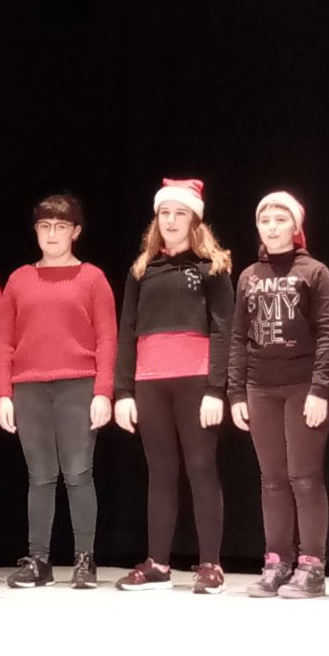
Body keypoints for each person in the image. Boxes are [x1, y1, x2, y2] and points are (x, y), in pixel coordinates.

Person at [113, 178, 234, 592]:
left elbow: (224, 329)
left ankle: (211, 564)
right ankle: (159, 564)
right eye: (164, 213)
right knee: (160, 472)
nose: (170, 220)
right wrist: (123, 392)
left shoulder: (211, 268)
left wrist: (216, 389)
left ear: (194, 220)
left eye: (179, 213)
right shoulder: (142, 270)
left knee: (201, 468)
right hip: (150, 382)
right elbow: (127, 330)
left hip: (195, 382)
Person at [0, 194, 117, 588]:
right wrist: (2, 393)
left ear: (75, 232)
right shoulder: (19, 279)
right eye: (45, 226)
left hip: (78, 385)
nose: (52, 234)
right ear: (36, 231)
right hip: (29, 387)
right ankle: (39, 560)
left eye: (61, 227)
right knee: (40, 476)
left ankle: (85, 559)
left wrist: (103, 391)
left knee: (78, 473)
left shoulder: (92, 278)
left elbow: (107, 338)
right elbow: (4, 341)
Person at [229, 192, 329, 598]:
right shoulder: (248, 276)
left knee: (304, 477)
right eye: (265, 220)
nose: (272, 227)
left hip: (303, 386)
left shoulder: (315, 272)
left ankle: (312, 566)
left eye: (280, 220)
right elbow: (238, 337)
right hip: (261, 387)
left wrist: (320, 389)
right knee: (272, 479)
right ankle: (277, 562)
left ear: (295, 226)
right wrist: (236, 392)